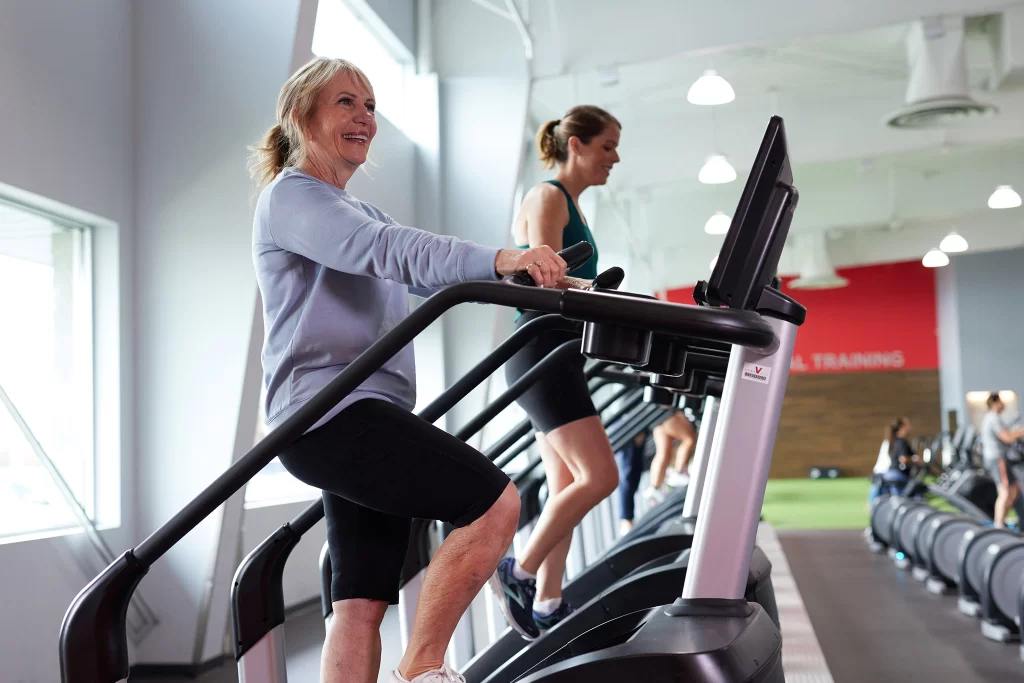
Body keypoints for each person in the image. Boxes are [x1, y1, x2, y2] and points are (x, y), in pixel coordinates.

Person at [249, 57, 578, 683]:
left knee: (360, 604)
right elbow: (393, 255)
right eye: (346, 103)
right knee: (494, 504)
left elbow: (415, 264)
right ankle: (423, 669)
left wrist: (545, 280)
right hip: (331, 415)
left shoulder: (362, 213)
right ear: (300, 116)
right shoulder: (292, 196)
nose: (364, 118)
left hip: (357, 415)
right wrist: (505, 257)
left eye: (370, 106)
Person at [499, 105, 622, 637]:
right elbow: (545, 276)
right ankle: (518, 571)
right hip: (541, 350)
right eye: (606, 147)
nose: (614, 158)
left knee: (568, 482)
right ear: (576, 145)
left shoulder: (575, 205)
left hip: (562, 352)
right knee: (601, 476)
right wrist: (602, 294)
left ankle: (548, 603)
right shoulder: (547, 196)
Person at [981, 393, 1024, 528]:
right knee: (1004, 491)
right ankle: (998, 525)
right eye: (1001, 402)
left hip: (1000, 458)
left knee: (1014, 489)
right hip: (997, 458)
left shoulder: (994, 418)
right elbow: (1007, 438)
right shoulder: (993, 418)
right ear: (995, 403)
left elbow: (1009, 433)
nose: (1003, 404)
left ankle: (1004, 520)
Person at [643, 410, 697, 505]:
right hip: (668, 415)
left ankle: (655, 488)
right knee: (689, 440)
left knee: (663, 454)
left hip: (657, 419)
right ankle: (679, 471)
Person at [614, 428, 651, 536]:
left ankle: (627, 519)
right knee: (627, 476)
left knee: (634, 475)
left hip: (634, 427)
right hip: (624, 426)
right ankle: (626, 520)